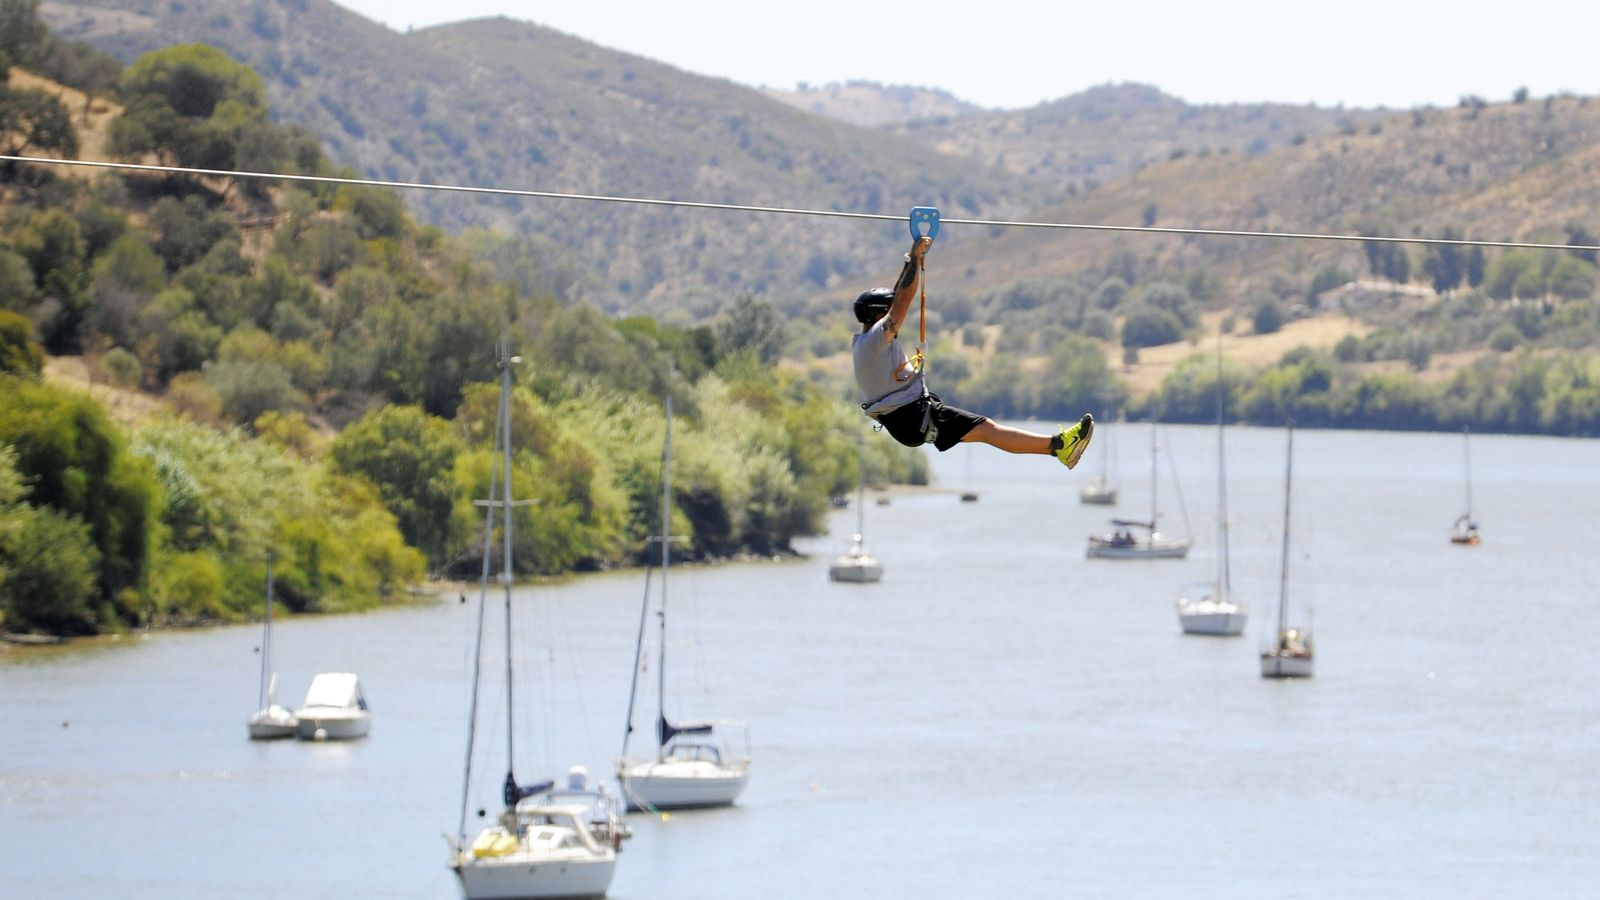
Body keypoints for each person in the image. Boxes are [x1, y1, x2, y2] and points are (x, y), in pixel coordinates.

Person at [852, 235, 1093, 467]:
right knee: (988, 429)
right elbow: (902, 301)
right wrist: (915, 258)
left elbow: (897, 299)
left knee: (985, 431)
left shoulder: (864, 343)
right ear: (880, 315)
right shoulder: (876, 339)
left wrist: (911, 261)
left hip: (907, 421)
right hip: (913, 417)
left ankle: (1058, 447)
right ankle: (1060, 446)